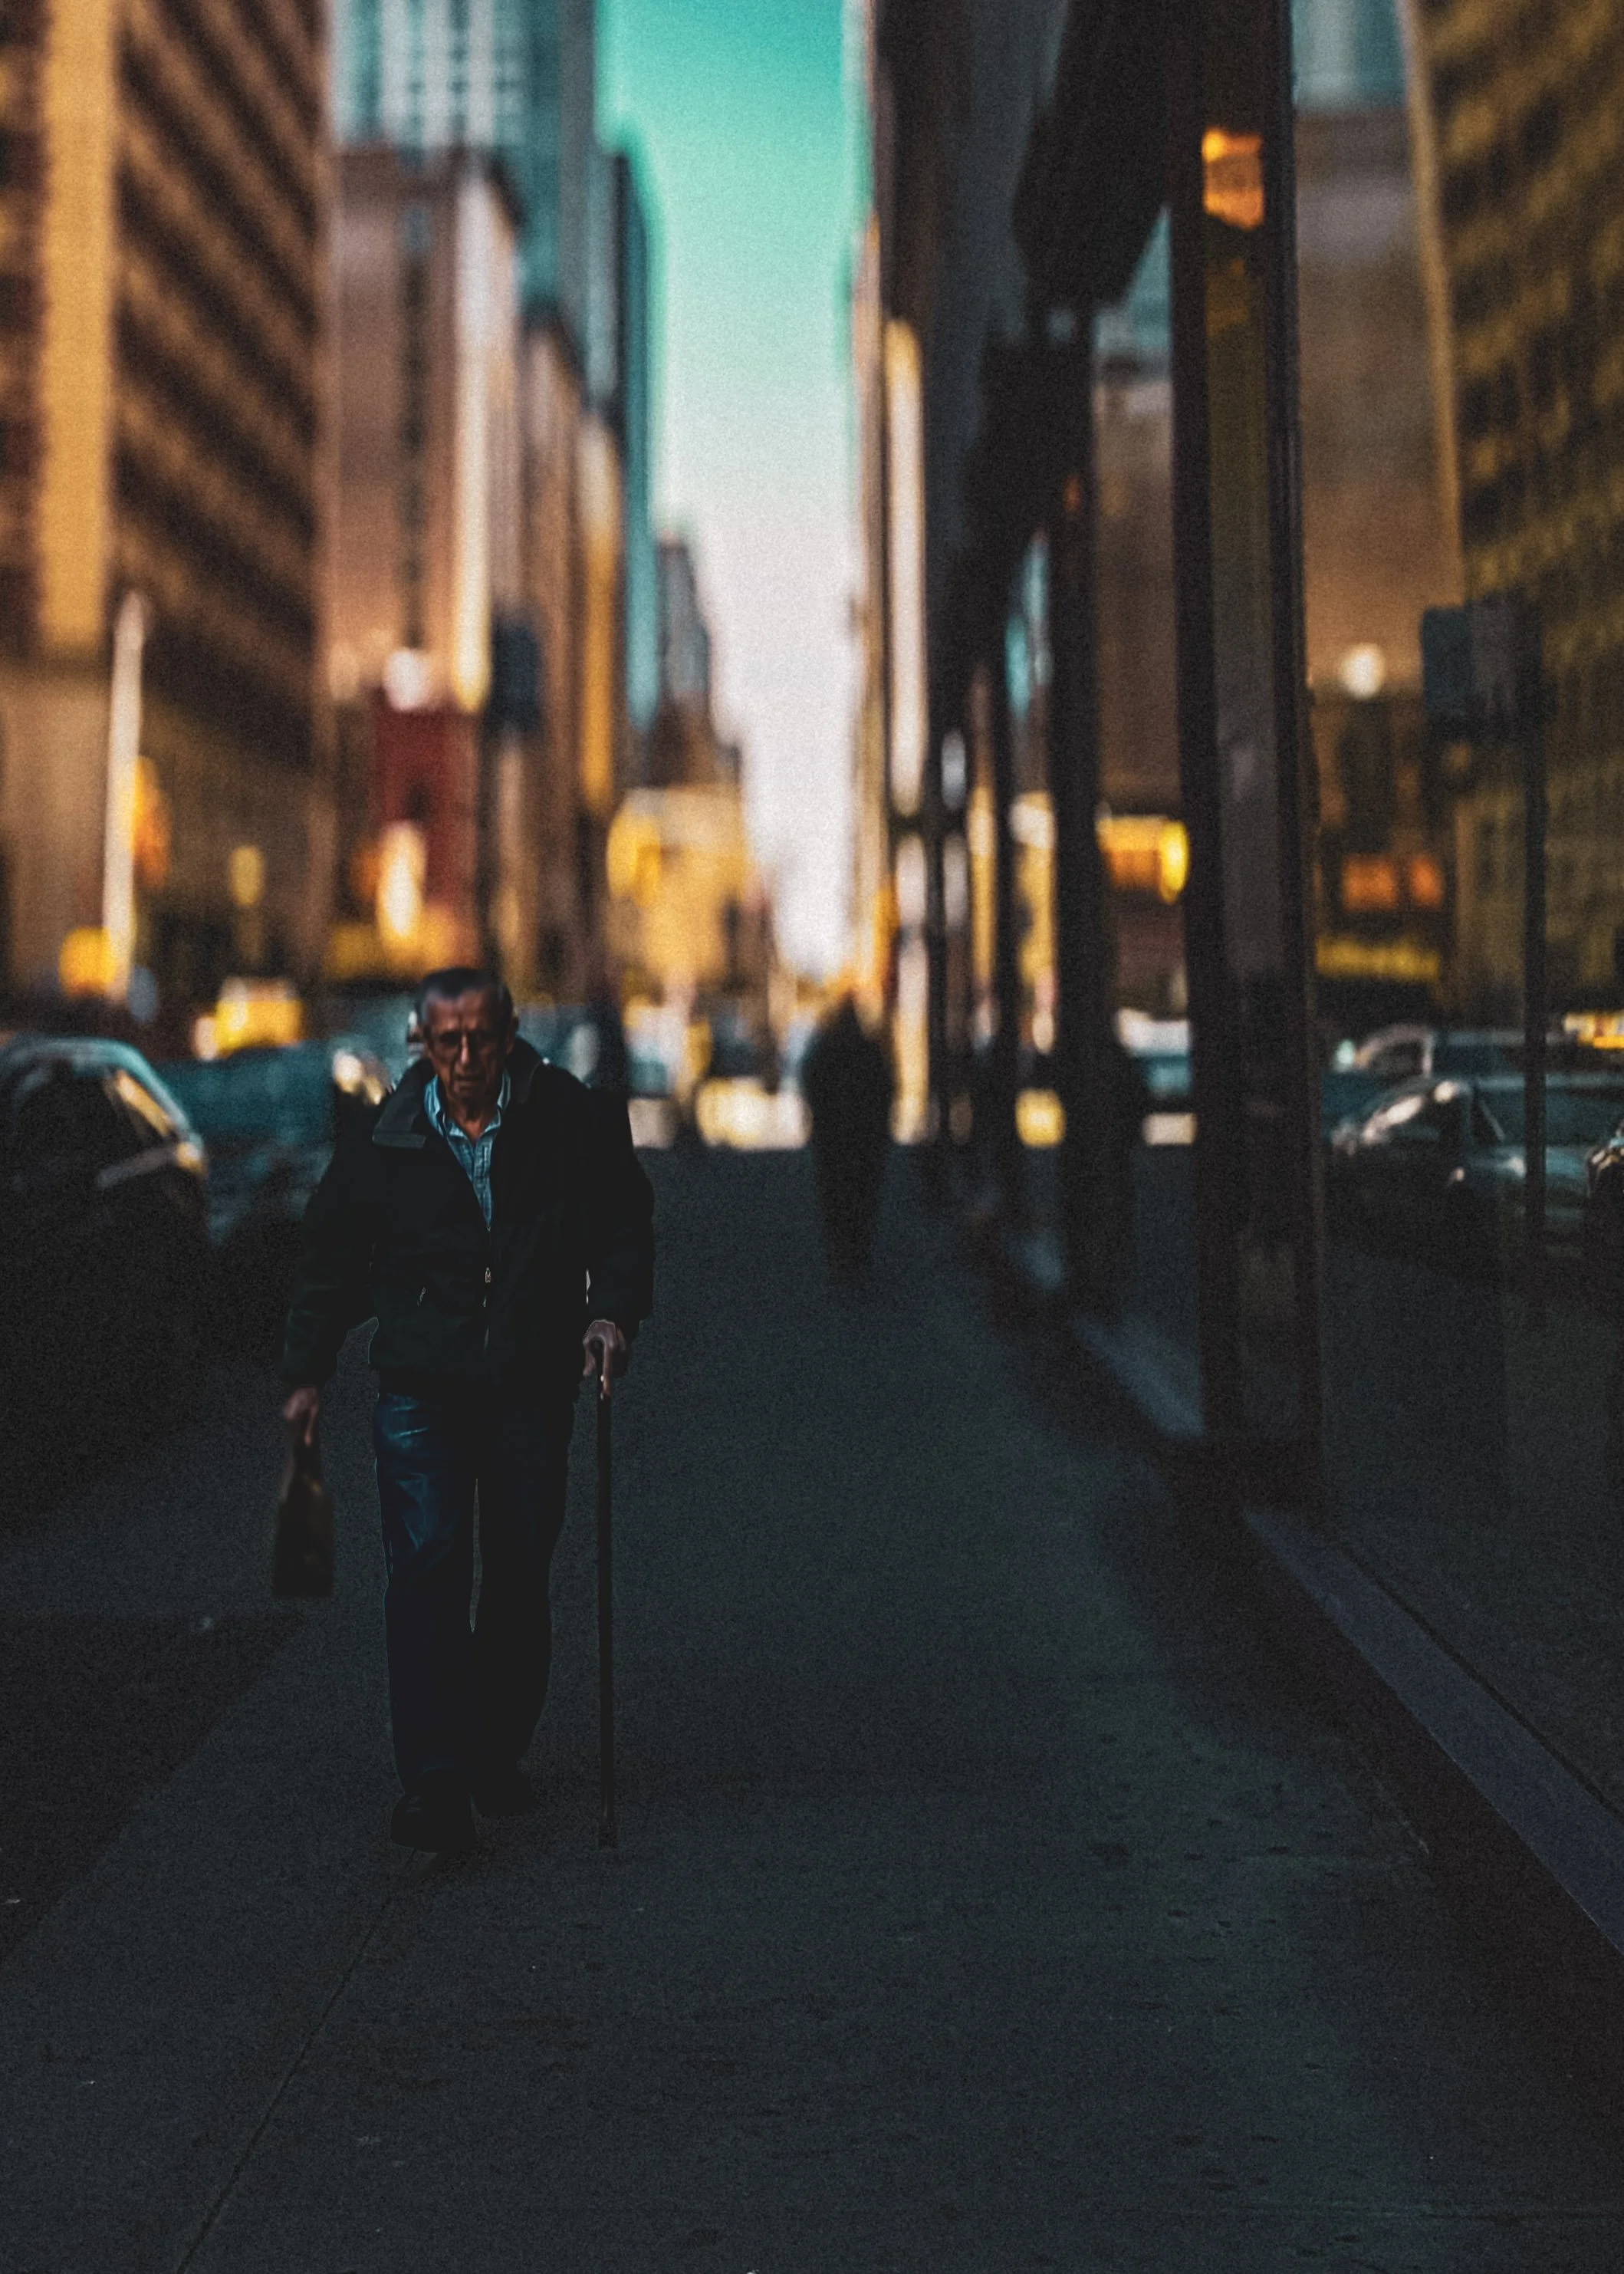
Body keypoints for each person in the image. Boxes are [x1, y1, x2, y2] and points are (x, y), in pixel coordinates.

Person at [281, 969, 654, 1854]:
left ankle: (494, 1749)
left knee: (521, 1570)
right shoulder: (391, 1132)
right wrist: (307, 1370)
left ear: (511, 1033)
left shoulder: (565, 1113)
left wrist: (611, 1312)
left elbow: (624, 1217)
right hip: (424, 1384)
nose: (465, 1057)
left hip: (531, 1382)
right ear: (422, 1042)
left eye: (481, 1038)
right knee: (427, 1568)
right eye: (446, 1041)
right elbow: (331, 1253)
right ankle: (437, 1779)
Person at [800, 995, 893, 1282]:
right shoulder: (869, 1051)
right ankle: (856, 1255)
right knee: (860, 1198)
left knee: (836, 1199)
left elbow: (811, 1084)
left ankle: (841, 1256)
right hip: (862, 1140)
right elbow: (886, 1091)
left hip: (834, 1140)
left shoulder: (826, 1051)